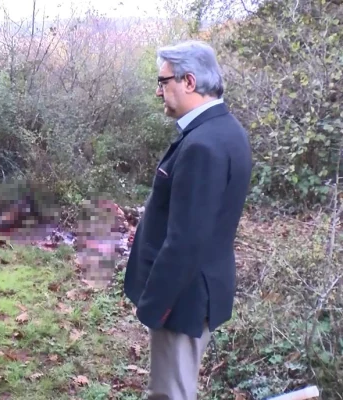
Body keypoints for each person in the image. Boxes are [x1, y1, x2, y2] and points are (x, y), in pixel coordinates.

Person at [124, 40, 253, 399]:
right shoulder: (226, 130)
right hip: (194, 291)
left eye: (163, 81)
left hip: (183, 298)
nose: (158, 91)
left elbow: (186, 241)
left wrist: (155, 305)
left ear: (189, 82)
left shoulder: (202, 145)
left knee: (171, 394)